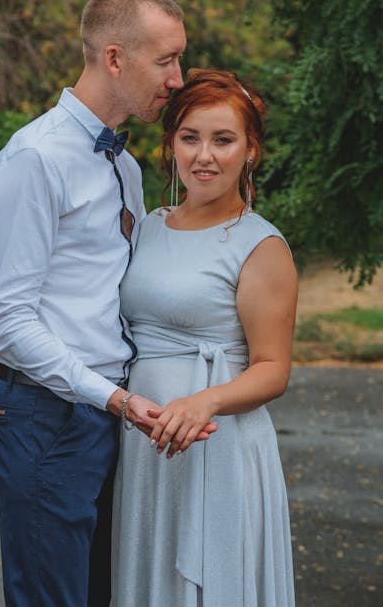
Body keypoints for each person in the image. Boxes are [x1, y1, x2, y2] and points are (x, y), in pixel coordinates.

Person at [0, 0, 215, 607]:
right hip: (45, 417)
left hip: (112, 420)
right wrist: (112, 398)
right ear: (114, 57)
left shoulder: (124, 167)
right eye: (166, 60)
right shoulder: (35, 159)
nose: (177, 78)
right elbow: (7, 323)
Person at [111, 68, 298, 606]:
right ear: (170, 145)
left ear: (250, 150)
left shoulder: (260, 246)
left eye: (223, 140)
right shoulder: (147, 226)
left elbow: (272, 368)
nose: (204, 156)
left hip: (218, 442)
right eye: (190, 138)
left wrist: (203, 402)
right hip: (145, 442)